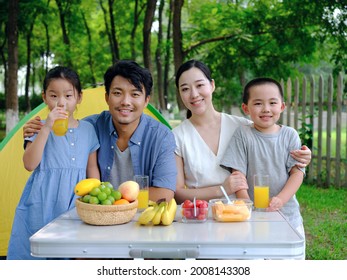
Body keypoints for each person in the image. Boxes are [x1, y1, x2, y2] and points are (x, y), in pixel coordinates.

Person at [23, 60, 177, 202]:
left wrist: (112, 201)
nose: (125, 101)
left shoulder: (161, 136)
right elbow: (65, 133)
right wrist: (40, 129)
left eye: (135, 94)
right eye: (117, 93)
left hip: (139, 219)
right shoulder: (90, 127)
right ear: (106, 97)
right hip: (95, 217)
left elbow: (164, 193)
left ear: (146, 101)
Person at [173, 59, 311, 204]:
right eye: (185, 89)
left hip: (243, 215)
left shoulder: (243, 126)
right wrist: (221, 189)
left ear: (212, 85)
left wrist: (303, 156)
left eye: (200, 85)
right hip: (201, 217)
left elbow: (275, 145)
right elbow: (177, 193)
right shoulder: (177, 136)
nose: (194, 94)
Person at [7, 66, 100, 260]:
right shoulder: (37, 126)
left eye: (68, 96)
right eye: (54, 96)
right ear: (44, 97)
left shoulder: (89, 130)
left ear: (79, 98)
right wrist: (47, 127)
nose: (61, 102)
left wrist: (94, 201)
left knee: (70, 253)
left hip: (74, 201)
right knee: (37, 253)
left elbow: (92, 169)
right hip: (42, 200)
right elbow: (29, 164)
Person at [220, 77, 305, 237]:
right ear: (246, 108)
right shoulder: (242, 134)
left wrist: (281, 199)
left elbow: (297, 173)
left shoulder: (289, 135)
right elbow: (238, 177)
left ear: (282, 106)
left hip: (287, 216)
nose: (266, 109)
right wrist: (247, 207)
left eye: (272, 103)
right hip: (252, 218)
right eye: (258, 103)